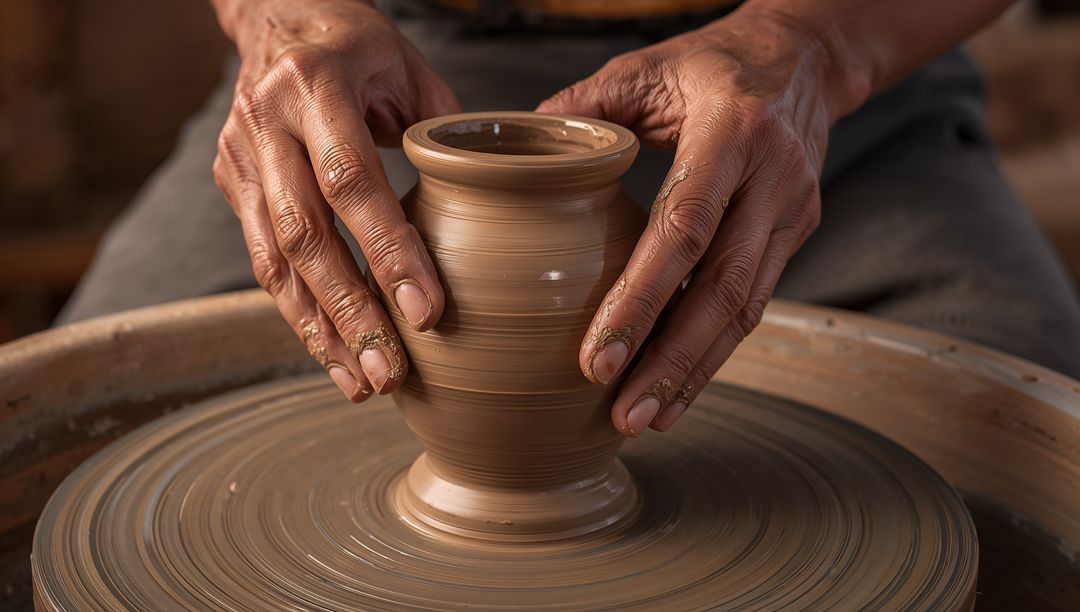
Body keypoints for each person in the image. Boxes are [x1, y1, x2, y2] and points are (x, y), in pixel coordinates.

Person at [59, 0, 1080, 436]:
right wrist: (274, 13)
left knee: (1018, 417)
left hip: (815, 76)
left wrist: (814, 45)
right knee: (88, 417)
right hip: (385, 69)